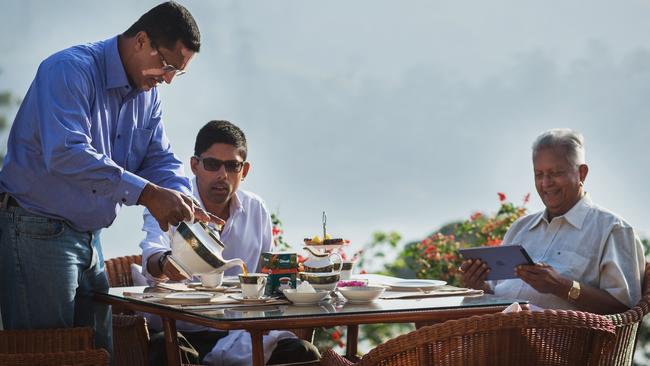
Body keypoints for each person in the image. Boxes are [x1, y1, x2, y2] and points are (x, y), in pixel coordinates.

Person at [0, 1, 214, 355]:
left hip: (89, 239)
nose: (168, 79)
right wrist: (147, 194)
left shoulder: (148, 96)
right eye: (167, 64)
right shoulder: (68, 70)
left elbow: (159, 158)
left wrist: (180, 201)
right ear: (141, 40)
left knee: (98, 353)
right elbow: (66, 153)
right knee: (47, 355)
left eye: (179, 71)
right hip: (35, 230)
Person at [139, 120, 320, 365]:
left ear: (244, 171)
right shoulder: (171, 204)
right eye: (212, 164)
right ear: (195, 165)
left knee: (303, 353)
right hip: (184, 330)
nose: (222, 175)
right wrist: (164, 263)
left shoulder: (255, 209)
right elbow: (152, 255)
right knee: (167, 349)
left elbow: (268, 276)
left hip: (240, 333)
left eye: (232, 166)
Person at [460, 128, 645, 314]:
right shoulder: (520, 228)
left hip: (563, 341)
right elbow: (496, 296)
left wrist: (562, 287)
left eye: (555, 173)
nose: (546, 183)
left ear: (582, 174)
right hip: (504, 336)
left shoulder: (612, 229)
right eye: (539, 175)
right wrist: (478, 286)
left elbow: (625, 310)